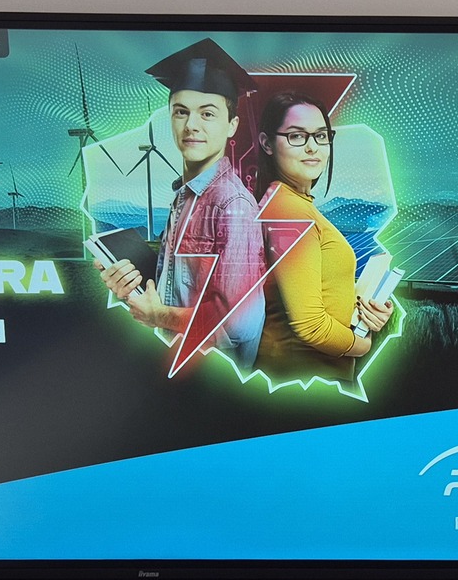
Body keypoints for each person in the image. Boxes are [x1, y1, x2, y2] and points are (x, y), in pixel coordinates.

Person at [99, 38, 266, 370]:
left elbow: (235, 323)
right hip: (177, 371)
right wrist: (132, 286)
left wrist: (158, 315)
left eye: (207, 113)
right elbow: (177, 285)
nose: (191, 125)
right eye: (181, 112)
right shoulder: (184, 196)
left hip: (215, 383)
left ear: (231, 126)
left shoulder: (231, 205)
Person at [251, 91, 394, 382]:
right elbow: (310, 326)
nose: (312, 147)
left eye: (320, 136)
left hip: (306, 379)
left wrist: (367, 311)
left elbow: (318, 292)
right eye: (296, 136)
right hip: (302, 382)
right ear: (267, 143)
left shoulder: (292, 203)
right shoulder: (290, 211)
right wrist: (362, 344)